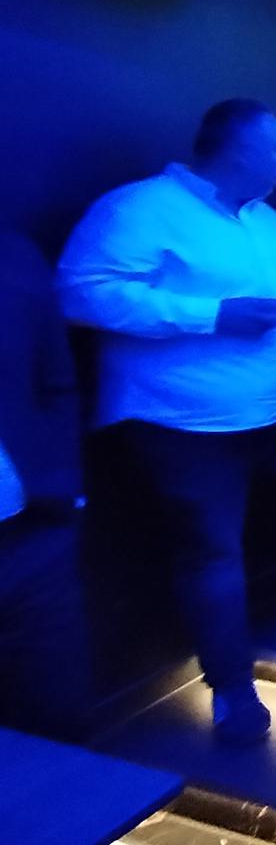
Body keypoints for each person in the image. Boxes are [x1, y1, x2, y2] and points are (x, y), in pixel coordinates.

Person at [57, 98, 276, 745]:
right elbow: (80, 291)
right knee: (211, 552)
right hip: (186, 424)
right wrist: (209, 315)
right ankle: (232, 689)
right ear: (238, 148)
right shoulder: (139, 209)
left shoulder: (267, 221)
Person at [0, 230, 92, 741]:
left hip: (32, 536)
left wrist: (61, 480)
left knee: (58, 720)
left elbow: (56, 379)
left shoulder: (12, 252)